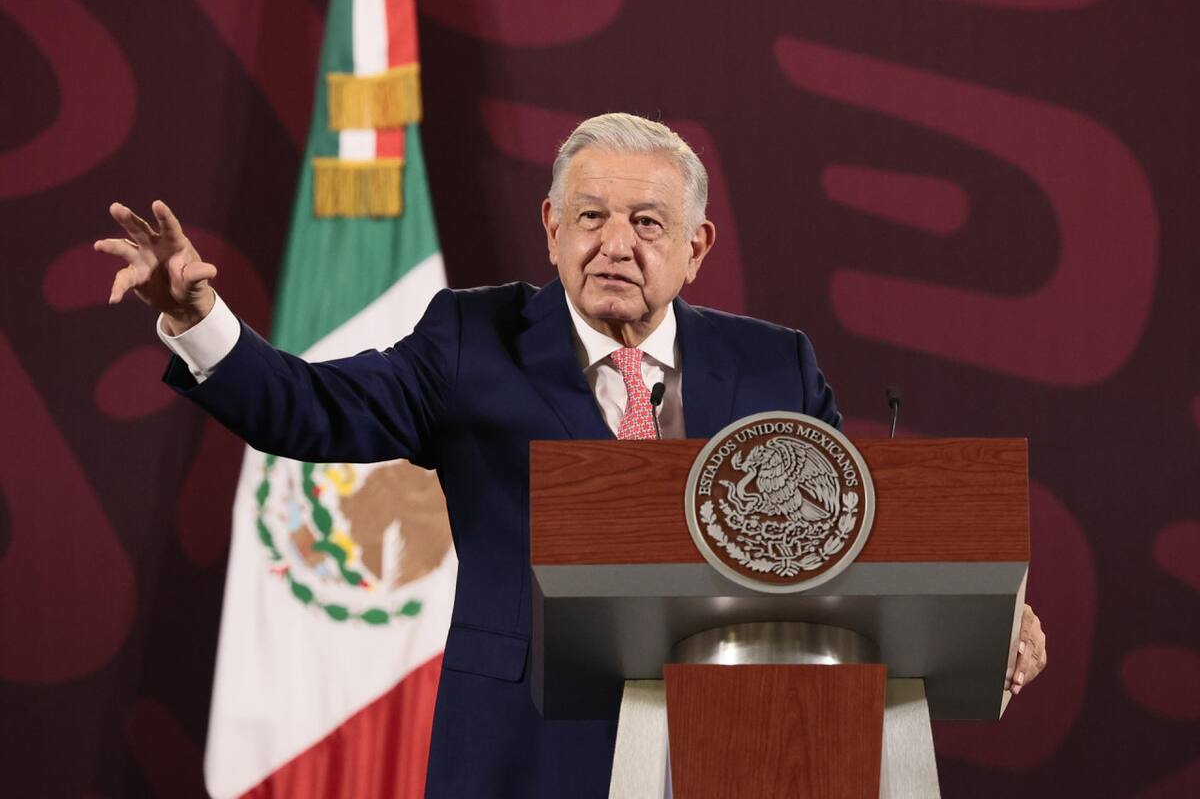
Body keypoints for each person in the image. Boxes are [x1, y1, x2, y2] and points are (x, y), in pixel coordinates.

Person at [97, 113, 1047, 797]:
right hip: (524, 747)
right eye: (589, 216)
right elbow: (311, 409)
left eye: (647, 223)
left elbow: (856, 531)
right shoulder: (472, 339)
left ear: (696, 247)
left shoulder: (774, 362)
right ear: (550, 230)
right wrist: (197, 319)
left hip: (754, 746)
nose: (616, 244)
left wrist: (988, 608)